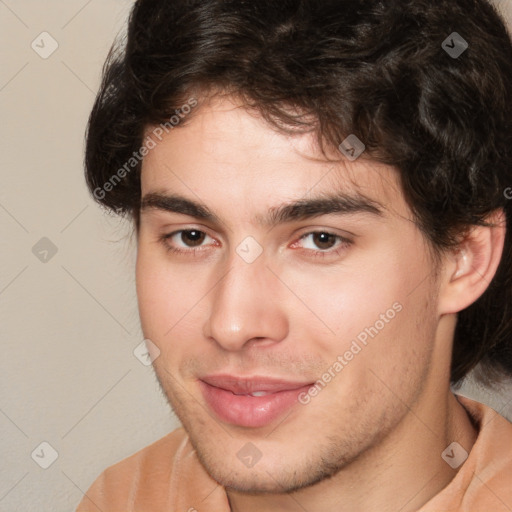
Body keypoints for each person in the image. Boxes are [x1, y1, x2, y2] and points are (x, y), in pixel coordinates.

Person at [76, 0, 512, 510]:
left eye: (320, 240)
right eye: (191, 236)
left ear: (465, 257)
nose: (233, 324)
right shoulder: (122, 499)